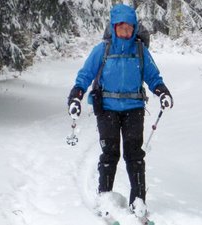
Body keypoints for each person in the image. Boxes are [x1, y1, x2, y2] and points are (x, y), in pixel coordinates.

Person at [67, 4, 173, 217]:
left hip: (134, 109)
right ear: (113, 27)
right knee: (110, 153)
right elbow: (85, 75)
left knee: (135, 155)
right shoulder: (102, 50)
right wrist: (76, 96)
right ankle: (104, 196)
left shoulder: (141, 51)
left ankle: (139, 200)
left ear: (134, 28)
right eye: (121, 28)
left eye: (129, 28)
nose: (125, 32)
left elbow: (153, 77)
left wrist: (162, 92)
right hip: (107, 109)